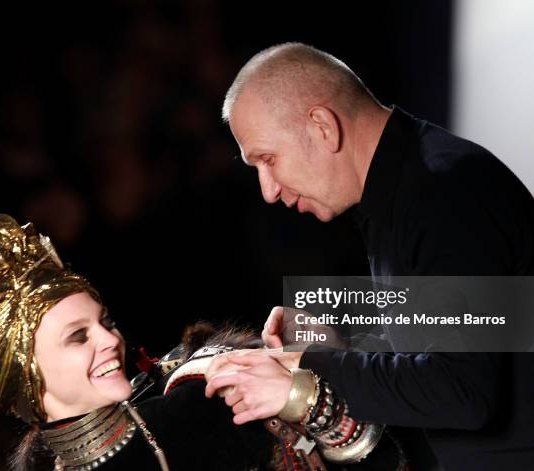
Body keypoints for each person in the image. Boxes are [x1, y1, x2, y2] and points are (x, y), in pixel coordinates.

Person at [205, 42, 534, 471]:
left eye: (267, 159)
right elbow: (444, 335)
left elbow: (461, 389)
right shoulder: (405, 188)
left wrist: (303, 369)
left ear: (323, 126)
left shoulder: (442, 192)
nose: (268, 191)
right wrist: (338, 342)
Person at [0, 214, 407, 471]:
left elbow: (378, 450)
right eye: (77, 337)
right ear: (24, 374)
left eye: (104, 321)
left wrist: (306, 389)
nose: (110, 341)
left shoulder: (201, 399)